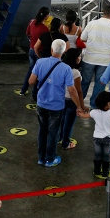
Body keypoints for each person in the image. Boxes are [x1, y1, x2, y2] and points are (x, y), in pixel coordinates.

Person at [29, 39, 82, 167]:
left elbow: (31, 81)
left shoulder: (40, 62)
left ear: (52, 49)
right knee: (53, 132)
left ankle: (41, 158)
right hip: (56, 106)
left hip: (41, 103)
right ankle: (50, 159)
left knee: (42, 130)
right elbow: (72, 90)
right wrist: (79, 106)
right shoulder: (66, 69)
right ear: (64, 52)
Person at [80, 5, 110, 109]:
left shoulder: (91, 24)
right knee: (100, 84)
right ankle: (95, 105)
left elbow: (82, 38)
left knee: (84, 82)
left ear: (103, 13)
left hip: (89, 58)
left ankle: (79, 103)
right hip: (105, 61)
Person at [77, 91, 110, 179]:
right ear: (108, 104)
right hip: (108, 138)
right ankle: (105, 172)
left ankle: (96, 170)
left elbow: (84, 116)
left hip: (97, 138)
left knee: (97, 154)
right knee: (106, 155)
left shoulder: (94, 112)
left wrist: (80, 113)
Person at [59, 48, 86, 149]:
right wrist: (81, 105)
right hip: (71, 101)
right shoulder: (75, 73)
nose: (80, 58)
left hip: (61, 98)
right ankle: (66, 143)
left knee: (61, 120)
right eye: (78, 56)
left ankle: (59, 137)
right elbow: (78, 91)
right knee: (69, 123)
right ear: (74, 58)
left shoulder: (62, 67)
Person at [19, 7, 50, 96]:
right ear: (46, 16)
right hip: (39, 53)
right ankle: (35, 94)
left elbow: (27, 33)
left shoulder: (32, 22)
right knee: (38, 73)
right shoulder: (45, 29)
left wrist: (32, 41)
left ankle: (23, 90)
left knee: (31, 70)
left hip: (31, 50)